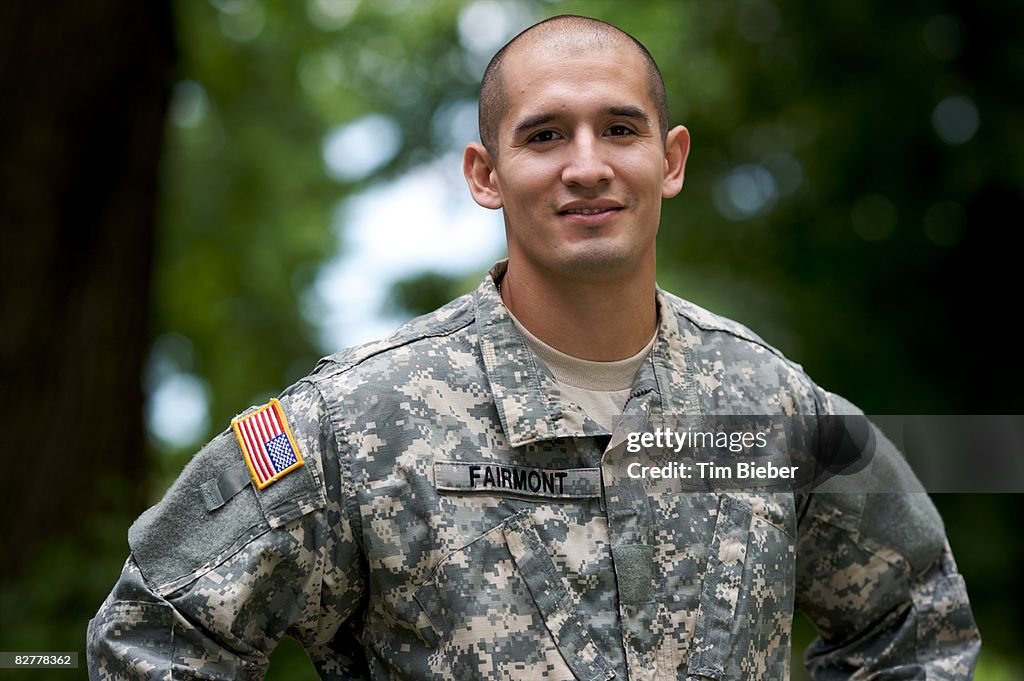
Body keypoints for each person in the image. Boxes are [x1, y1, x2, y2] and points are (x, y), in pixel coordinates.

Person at [87, 14, 980, 680]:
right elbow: (149, 636)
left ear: (670, 161)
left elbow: (915, 623)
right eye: (545, 134)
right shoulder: (358, 426)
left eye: (619, 129)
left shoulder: (772, 407)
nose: (586, 164)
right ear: (485, 174)